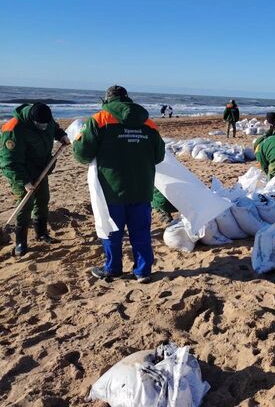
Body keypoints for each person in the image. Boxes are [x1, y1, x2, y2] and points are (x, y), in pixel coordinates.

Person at [73, 85, 165, 283]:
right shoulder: (148, 122)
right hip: (142, 187)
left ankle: (113, 268)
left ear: (107, 99)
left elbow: (82, 153)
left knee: (111, 230)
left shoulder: (99, 120)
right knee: (141, 231)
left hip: (111, 188)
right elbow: (159, 155)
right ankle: (143, 271)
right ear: (127, 99)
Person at [0, 103, 70, 256]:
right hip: (21, 172)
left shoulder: (46, 119)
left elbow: (54, 128)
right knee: (25, 205)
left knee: (43, 199)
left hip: (41, 169)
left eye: (46, 123)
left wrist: (61, 135)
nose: (44, 127)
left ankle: (42, 233)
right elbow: (8, 162)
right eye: (40, 125)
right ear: (32, 120)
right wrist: (24, 182)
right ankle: (21, 242)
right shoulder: (13, 129)